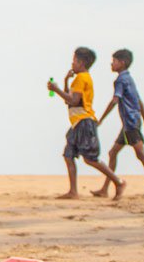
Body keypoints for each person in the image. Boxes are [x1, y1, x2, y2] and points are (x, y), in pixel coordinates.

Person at [47, 47, 123, 200]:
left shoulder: (82, 78)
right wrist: (65, 81)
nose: (72, 63)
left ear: (81, 63)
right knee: (69, 155)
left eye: (74, 61)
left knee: (90, 158)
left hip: (84, 122)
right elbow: (69, 99)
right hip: (77, 123)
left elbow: (74, 100)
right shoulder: (79, 78)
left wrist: (56, 89)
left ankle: (118, 182)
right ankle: (73, 191)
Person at [92, 49, 144, 200]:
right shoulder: (129, 79)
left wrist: (101, 119)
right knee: (113, 153)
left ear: (122, 63)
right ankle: (105, 189)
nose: (112, 63)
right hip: (129, 124)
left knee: (141, 154)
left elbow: (114, 100)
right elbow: (139, 101)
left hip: (131, 123)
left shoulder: (121, 80)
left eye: (114, 61)